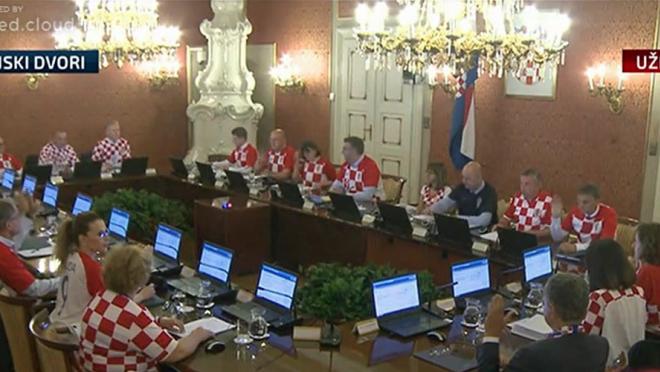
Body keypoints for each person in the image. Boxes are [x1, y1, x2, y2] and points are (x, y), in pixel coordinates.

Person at [78, 245, 213, 371]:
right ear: (142, 278)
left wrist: (157, 322)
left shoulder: (100, 299)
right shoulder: (133, 316)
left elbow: (120, 328)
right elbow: (176, 352)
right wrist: (198, 334)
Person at [478, 273, 609, 372]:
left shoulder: (532, 354)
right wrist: (513, 364)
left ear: (551, 309)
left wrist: (491, 334)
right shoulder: (600, 346)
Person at [49, 212, 154, 326]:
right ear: (83, 239)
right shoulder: (91, 268)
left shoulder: (71, 257)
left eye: (106, 232)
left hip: (58, 320)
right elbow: (113, 309)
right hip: (73, 329)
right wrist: (142, 295)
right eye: (101, 234)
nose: (107, 238)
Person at [583, 239, 647, 364]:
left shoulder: (599, 298)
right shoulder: (638, 292)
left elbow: (586, 339)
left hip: (606, 364)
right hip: (631, 361)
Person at [0, 199, 59, 297]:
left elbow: (15, 245)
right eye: (17, 217)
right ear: (8, 225)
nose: (20, 219)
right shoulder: (4, 255)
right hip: (23, 306)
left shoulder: (4, 246)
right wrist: (64, 279)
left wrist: (29, 215)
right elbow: (35, 289)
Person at [551, 184, 618, 254]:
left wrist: (576, 247)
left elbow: (604, 245)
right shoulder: (574, 213)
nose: (580, 206)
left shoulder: (609, 214)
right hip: (582, 253)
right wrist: (555, 218)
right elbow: (557, 238)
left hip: (604, 254)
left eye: (585, 202)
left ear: (597, 201)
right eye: (578, 202)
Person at [430, 161, 498, 230]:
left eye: (467, 179)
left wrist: (458, 219)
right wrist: (431, 210)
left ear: (478, 178)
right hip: (462, 228)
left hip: (482, 232)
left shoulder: (489, 192)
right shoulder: (462, 187)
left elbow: (484, 221)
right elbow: (445, 204)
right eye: (463, 177)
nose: (463, 181)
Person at [497, 168, 552, 239]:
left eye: (527, 184)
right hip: (516, 239)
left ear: (538, 185)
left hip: (536, 241)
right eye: (521, 183)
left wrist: (527, 234)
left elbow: (549, 231)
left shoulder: (547, 202)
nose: (522, 187)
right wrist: (500, 226)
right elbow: (506, 218)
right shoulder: (517, 197)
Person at [329, 136, 381, 202]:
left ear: (353, 151)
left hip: (370, 206)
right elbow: (335, 187)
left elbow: (367, 196)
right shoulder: (345, 165)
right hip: (350, 203)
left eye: (345, 149)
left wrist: (345, 195)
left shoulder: (370, 167)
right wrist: (335, 191)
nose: (342, 152)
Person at [634, 223, 660, 325]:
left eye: (636, 242)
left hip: (649, 327)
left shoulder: (647, 272)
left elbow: (634, 302)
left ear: (646, 245)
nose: (633, 246)